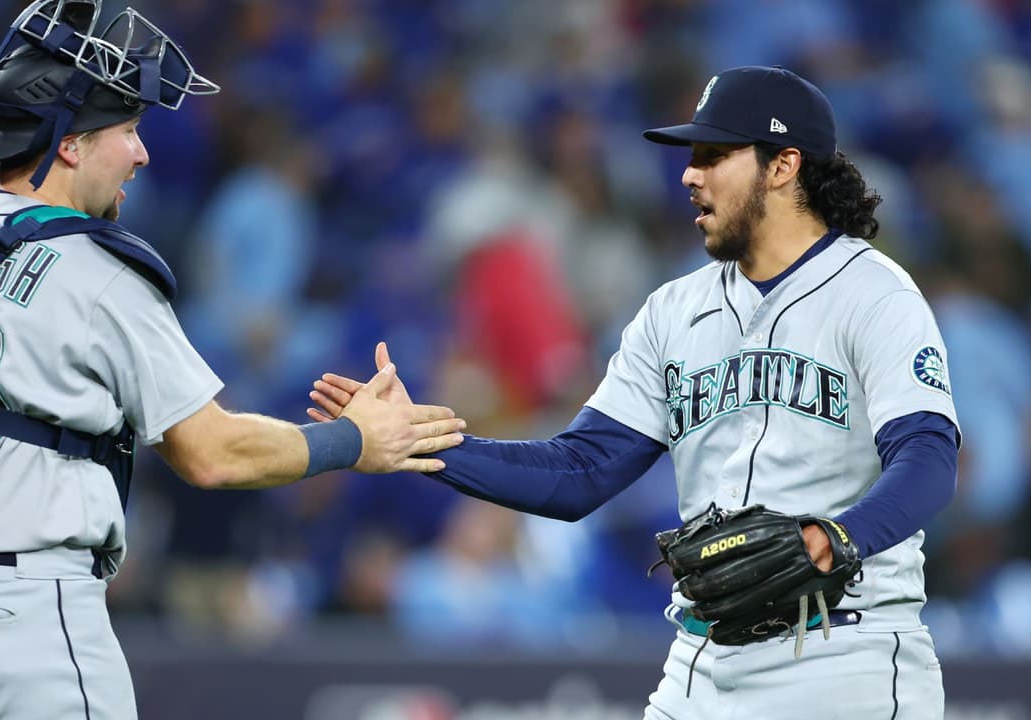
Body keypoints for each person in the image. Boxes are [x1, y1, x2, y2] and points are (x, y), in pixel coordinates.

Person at [0, 2, 464, 718]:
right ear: (69, 145)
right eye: (127, 131)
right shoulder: (94, 268)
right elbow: (213, 453)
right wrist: (354, 439)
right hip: (20, 623)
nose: (141, 155)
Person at [310, 65, 959, 719]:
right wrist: (416, 441)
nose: (690, 174)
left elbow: (928, 457)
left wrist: (838, 537)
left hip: (845, 659)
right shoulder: (672, 312)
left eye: (715, 155)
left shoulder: (876, 296)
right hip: (702, 666)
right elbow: (578, 472)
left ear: (784, 165)